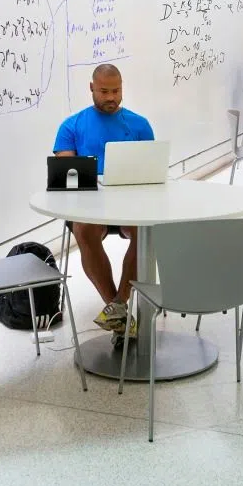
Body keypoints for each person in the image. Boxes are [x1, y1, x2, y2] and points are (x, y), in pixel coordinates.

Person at [53, 64, 154, 333]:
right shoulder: (71, 126)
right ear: (91, 88)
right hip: (89, 206)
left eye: (116, 90)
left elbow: (151, 172)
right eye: (104, 91)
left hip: (130, 204)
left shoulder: (140, 125)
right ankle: (116, 307)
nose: (111, 97)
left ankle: (118, 304)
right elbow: (67, 178)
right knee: (83, 229)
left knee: (146, 233)